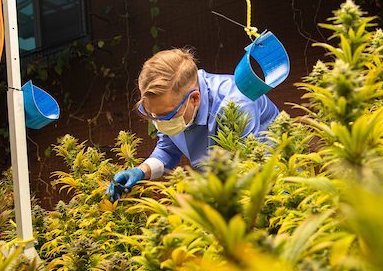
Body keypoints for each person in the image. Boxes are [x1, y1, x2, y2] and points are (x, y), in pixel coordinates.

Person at [107, 48, 279, 201]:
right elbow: (167, 150)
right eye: (152, 115)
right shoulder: (174, 109)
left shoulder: (235, 103)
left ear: (194, 98)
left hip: (272, 182)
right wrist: (140, 171)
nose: (160, 123)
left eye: (166, 115)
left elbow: (248, 168)